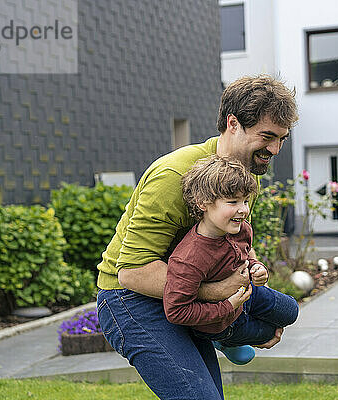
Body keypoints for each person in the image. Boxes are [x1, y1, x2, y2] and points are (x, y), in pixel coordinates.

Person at [96, 75, 298, 400]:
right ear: (233, 123)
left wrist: (248, 274)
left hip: (188, 291)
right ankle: (222, 331)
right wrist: (218, 294)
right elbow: (132, 272)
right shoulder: (174, 176)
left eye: (282, 139)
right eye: (267, 136)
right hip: (130, 299)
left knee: (279, 318)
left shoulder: (244, 181)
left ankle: (222, 331)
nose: (274, 149)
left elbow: (236, 242)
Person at [163, 155, 299, 356]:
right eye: (233, 201)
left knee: (291, 311)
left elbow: (246, 255)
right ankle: (223, 341)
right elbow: (177, 312)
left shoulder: (240, 228)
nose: (243, 210)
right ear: (203, 203)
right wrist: (228, 306)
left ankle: (244, 330)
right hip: (221, 321)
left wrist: (256, 268)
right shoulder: (188, 258)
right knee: (270, 333)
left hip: (247, 294)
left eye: (245, 200)